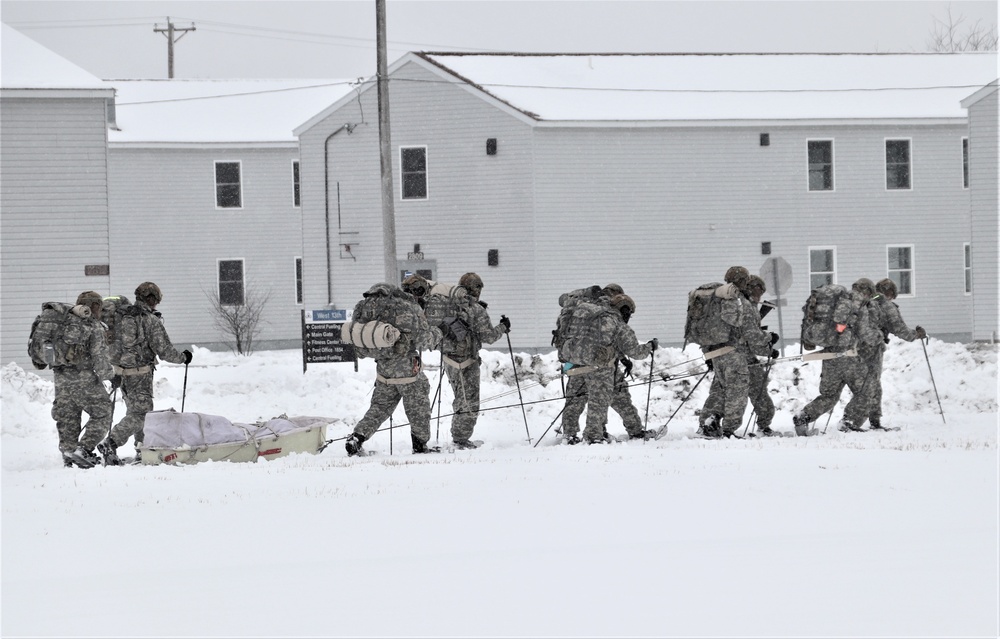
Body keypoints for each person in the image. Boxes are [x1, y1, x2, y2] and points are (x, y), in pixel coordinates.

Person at [345, 282, 443, 456]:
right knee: (418, 407)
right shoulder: (407, 306)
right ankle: (420, 445)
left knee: (379, 407)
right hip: (407, 368)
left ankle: (357, 437)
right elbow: (423, 338)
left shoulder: (364, 306)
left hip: (383, 368)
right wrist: (438, 332)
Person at [98, 282, 191, 465]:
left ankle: (142, 449)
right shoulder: (149, 320)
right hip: (139, 374)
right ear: (151, 299)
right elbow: (164, 351)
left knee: (136, 411)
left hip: (120, 373)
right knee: (142, 414)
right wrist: (183, 357)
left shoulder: (121, 316)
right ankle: (111, 442)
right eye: (156, 300)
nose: (156, 304)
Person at [422, 272, 509, 449]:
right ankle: (460, 438)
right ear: (476, 290)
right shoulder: (476, 309)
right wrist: (503, 327)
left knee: (460, 396)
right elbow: (489, 336)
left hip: (448, 359)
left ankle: (458, 435)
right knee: (469, 400)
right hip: (467, 361)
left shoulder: (447, 304)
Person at [558, 291, 657, 445]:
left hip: (577, 363)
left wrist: (621, 359)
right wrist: (650, 346)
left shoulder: (589, 317)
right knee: (598, 403)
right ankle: (593, 436)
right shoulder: (616, 323)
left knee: (574, 401)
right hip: (600, 368)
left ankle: (569, 434)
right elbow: (636, 352)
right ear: (625, 311)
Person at [792, 278, 884, 435]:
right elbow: (864, 333)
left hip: (830, 356)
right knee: (866, 391)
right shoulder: (858, 305)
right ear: (867, 292)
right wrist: (879, 336)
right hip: (848, 357)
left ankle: (804, 416)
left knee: (829, 395)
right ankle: (850, 422)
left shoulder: (835, 302)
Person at [54, 291, 117, 468]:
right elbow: (99, 357)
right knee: (103, 412)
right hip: (84, 379)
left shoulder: (63, 324)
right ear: (95, 306)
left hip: (60, 379)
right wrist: (111, 376)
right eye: (100, 307)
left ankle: (68, 453)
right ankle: (83, 449)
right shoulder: (93, 326)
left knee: (69, 416)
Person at [697, 266, 760, 438]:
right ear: (743, 281)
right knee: (736, 393)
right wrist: (768, 340)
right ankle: (729, 430)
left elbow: (707, 327)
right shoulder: (739, 301)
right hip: (733, 354)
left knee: (720, 390)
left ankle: (710, 419)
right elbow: (751, 333)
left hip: (715, 353)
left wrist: (707, 353)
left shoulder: (716, 300)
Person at [868, 278, 927, 430]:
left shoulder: (864, 302)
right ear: (889, 293)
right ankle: (870, 421)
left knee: (860, 384)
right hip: (872, 349)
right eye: (892, 294)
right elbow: (902, 331)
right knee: (873, 385)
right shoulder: (886, 306)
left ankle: (853, 419)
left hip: (853, 347)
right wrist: (917, 334)